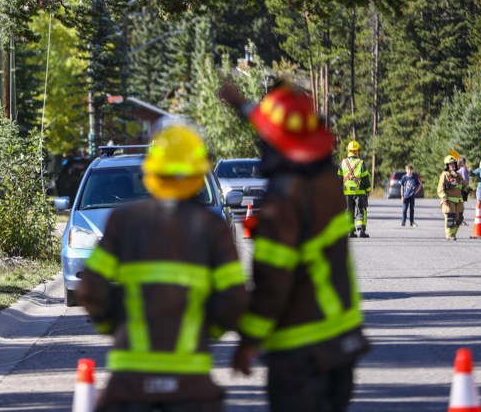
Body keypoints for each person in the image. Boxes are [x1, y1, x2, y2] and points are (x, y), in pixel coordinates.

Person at [78, 122, 247, 412]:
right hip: (191, 386)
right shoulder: (212, 228)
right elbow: (234, 300)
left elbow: (90, 289)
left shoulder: (124, 221)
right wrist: (209, 330)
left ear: (151, 172)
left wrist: (115, 325)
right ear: (197, 172)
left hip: (129, 383)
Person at [220, 82, 368, 412]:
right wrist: (243, 105)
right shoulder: (327, 179)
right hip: (341, 345)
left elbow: (272, 286)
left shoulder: (283, 204)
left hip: (301, 354)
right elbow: (285, 132)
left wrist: (248, 342)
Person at [338, 140, 371, 238]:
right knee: (361, 210)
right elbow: (365, 178)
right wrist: (368, 190)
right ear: (357, 151)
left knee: (348, 211)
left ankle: (350, 231)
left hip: (346, 192)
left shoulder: (343, 163)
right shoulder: (361, 163)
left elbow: (339, 178)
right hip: (359, 191)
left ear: (348, 150)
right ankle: (361, 230)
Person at [438, 155, 468, 241]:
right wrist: (444, 198)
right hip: (449, 201)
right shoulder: (445, 175)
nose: (452, 166)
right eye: (450, 164)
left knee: (459, 219)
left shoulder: (458, 175)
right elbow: (440, 189)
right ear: (447, 165)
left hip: (458, 201)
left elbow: (464, 185)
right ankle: (449, 234)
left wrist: (467, 189)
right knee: (450, 218)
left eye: (453, 164)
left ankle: (453, 233)